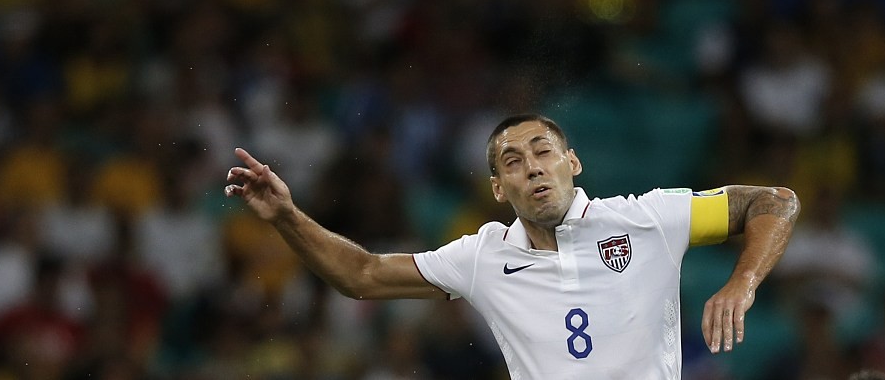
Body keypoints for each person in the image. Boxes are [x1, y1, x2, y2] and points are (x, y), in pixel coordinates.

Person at [225, 113, 800, 379]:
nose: (533, 168)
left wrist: (741, 283)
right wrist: (286, 216)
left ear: (572, 162)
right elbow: (364, 274)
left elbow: (774, 201)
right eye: (513, 161)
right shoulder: (483, 256)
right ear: (499, 189)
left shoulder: (648, 219)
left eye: (544, 150)